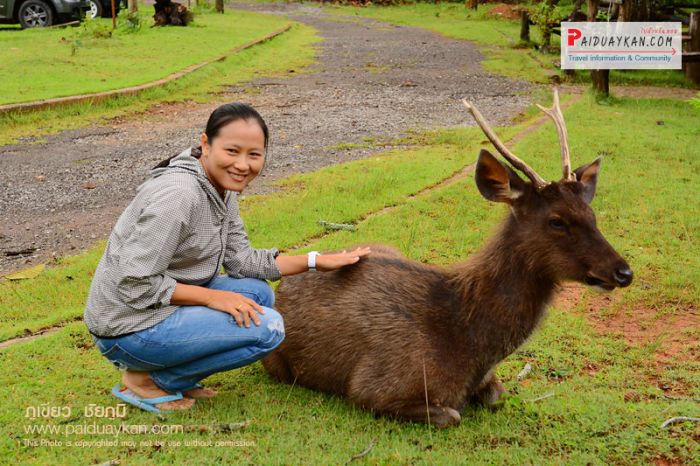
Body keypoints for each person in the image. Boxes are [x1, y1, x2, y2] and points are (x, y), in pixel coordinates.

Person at [84, 102, 370, 413]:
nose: (242, 165)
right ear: (205, 144)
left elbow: (242, 261)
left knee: (257, 294)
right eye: (231, 151)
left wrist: (315, 261)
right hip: (126, 325)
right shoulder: (178, 196)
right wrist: (212, 298)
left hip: (161, 309)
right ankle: (148, 380)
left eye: (254, 155)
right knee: (268, 329)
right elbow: (135, 282)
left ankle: (166, 376)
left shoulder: (221, 188)